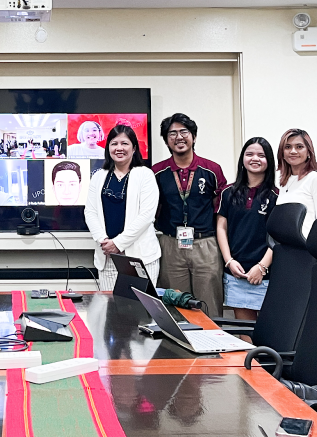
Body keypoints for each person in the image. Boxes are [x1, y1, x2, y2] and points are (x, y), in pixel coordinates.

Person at [153, 113, 227, 317]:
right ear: (166, 140)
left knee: (209, 304)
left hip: (206, 245)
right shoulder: (157, 172)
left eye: (184, 132)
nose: (179, 137)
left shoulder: (212, 170)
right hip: (170, 245)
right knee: (176, 305)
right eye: (172, 133)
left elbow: (220, 207)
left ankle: (213, 346)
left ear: (193, 136)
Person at [84, 125, 160, 291]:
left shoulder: (145, 175)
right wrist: (104, 241)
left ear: (134, 148)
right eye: (114, 143)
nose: (119, 148)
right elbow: (90, 212)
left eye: (124, 143)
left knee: (142, 311)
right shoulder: (98, 176)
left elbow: (147, 216)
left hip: (141, 257)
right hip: (108, 256)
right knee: (111, 310)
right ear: (108, 148)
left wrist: (118, 243)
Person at [216, 138, 277, 327]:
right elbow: (221, 227)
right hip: (236, 271)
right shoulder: (228, 192)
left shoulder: (277, 195)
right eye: (249, 154)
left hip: (266, 273)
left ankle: (264, 359)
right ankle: (250, 359)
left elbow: (278, 236)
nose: (255, 159)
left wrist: (262, 267)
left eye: (261, 155)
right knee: (245, 331)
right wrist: (229, 261)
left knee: (269, 331)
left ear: (269, 160)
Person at [276, 128, 317, 239]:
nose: (293, 151)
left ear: (309, 151)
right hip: (285, 247)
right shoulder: (283, 182)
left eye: (299, 147)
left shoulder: (315, 179)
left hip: (307, 249)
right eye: (288, 147)